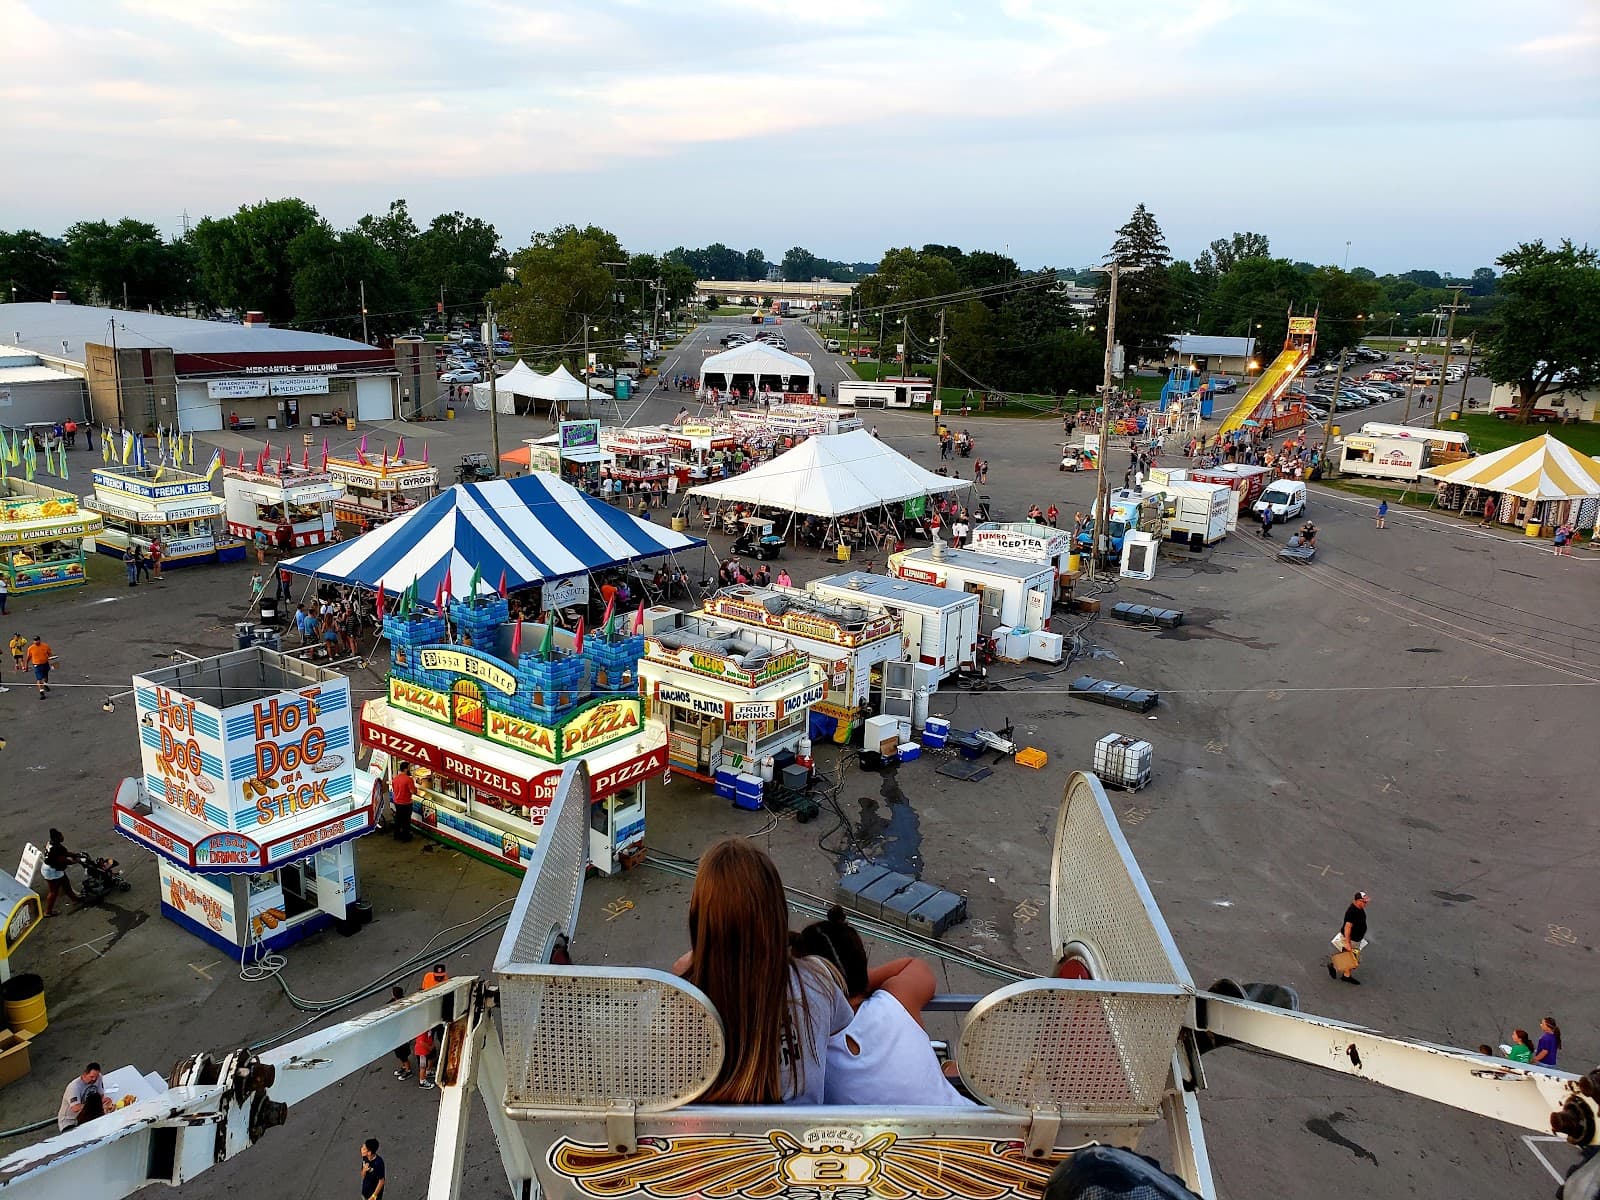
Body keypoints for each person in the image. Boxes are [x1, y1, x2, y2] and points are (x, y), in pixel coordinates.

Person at [673, 838, 852, 1103]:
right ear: (778, 911)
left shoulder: (680, 1002)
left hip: (721, 1143)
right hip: (805, 1141)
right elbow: (835, 1037)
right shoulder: (819, 979)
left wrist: (693, 966)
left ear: (701, 921)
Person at [792, 906, 975, 1107]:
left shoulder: (808, 1046)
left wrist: (835, 988)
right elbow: (916, 966)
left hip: (883, 1138)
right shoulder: (896, 1001)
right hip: (967, 1128)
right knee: (951, 1070)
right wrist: (856, 983)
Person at [1328, 890, 1369, 984]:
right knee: (1352, 960)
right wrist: (1347, 942)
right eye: (1364, 901)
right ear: (1358, 900)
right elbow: (1347, 927)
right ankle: (1333, 966)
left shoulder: (1359, 908)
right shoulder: (1352, 911)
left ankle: (1346, 976)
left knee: (1350, 959)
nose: (1366, 903)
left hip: (1356, 939)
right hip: (1351, 940)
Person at [41, 828, 81, 915]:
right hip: (52, 871)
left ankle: (75, 899)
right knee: (53, 891)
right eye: (61, 836)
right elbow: (63, 860)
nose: (63, 837)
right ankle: (48, 911)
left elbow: (64, 853)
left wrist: (74, 855)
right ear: (57, 838)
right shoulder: (56, 848)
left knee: (66, 883)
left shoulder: (52, 843)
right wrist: (75, 862)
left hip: (50, 868)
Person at [57, 1063, 103, 1130]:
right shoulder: (74, 1087)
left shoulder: (98, 1078)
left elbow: (100, 1095)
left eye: (96, 1076)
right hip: (70, 1122)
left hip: (85, 1116)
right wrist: (92, 1105)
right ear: (84, 1074)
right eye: (91, 1077)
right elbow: (75, 1108)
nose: (94, 1079)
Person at [390, 763, 416, 843]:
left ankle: (396, 835)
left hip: (397, 802)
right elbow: (413, 791)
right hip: (406, 803)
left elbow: (394, 790)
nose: (409, 770)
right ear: (405, 769)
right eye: (409, 768)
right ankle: (406, 837)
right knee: (406, 820)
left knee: (398, 819)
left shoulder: (395, 779)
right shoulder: (408, 779)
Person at [27, 634, 52, 699]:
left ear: (39, 640)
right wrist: (26, 665)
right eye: (35, 640)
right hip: (37, 665)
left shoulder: (45, 646)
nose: (36, 642)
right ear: (33, 641)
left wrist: (52, 660)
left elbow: (50, 654)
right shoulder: (31, 648)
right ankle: (42, 693)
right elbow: (28, 657)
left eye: (37, 640)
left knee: (45, 676)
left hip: (45, 663)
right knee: (39, 679)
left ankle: (45, 684)